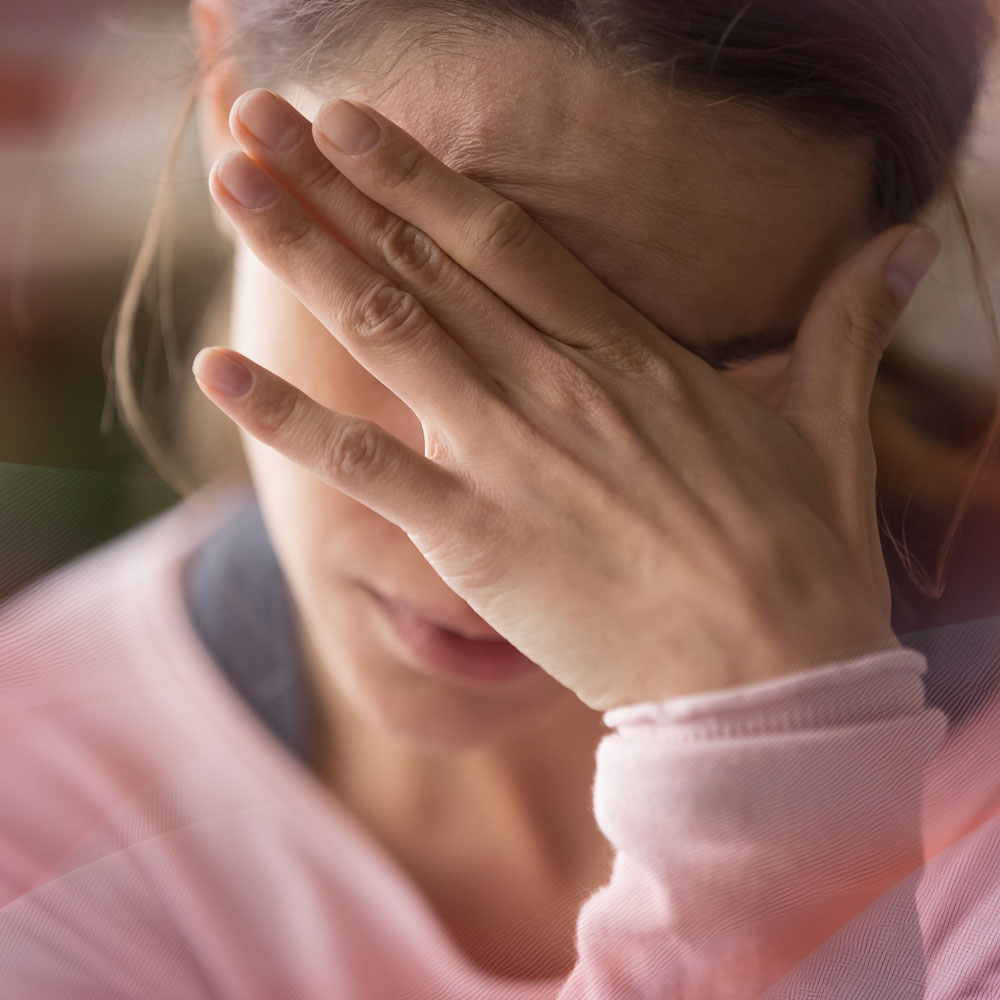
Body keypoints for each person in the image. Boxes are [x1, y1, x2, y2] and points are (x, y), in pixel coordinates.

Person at [2, 1, 1000, 996]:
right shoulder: (33, 792)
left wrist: (774, 764)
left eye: (689, 390)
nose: (488, 537)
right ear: (229, 104)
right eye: (440, 316)